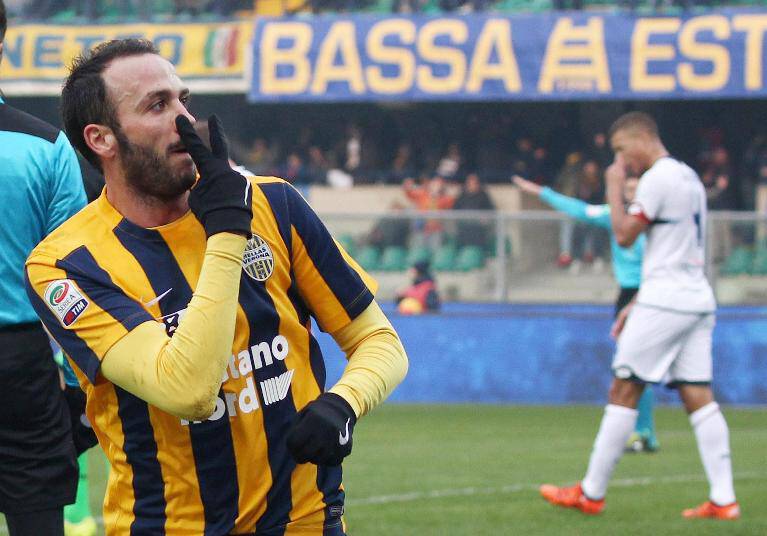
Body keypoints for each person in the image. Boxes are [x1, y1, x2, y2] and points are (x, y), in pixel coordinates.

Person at [25, 38, 408, 535]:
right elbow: (187, 391)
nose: (185, 121)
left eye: (184, 100)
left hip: (306, 521)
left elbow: (380, 341)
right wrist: (227, 232)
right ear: (102, 138)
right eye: (158, 106)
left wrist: (345, 402)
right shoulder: (66, 265)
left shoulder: (275, 203)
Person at [540, 112, 739, 520]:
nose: (621, 162)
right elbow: (673, 247)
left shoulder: (657, 178)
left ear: (640, 139)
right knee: (698, 395)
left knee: (624, 387)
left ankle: (590, 493)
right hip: (695, 295)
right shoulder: (688, 177)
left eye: (620, 150)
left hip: (666, 299)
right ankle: (724, 499)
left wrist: (614, 189)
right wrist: (638, 299)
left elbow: (625, 234)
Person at [0, 2, 88, 534]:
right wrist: (81, 386)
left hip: (26, 356)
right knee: (37, 523)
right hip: (24, 364)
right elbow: (79, 276)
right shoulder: (48, 146)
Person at [513, 174, 659, 453]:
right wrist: (542, 191)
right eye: (627, 188)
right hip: (627, 295)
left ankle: (643, 431)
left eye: (635, 188)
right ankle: (643, 432)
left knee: (636, 367)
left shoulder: (652, 221)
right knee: (632, 366)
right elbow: (578, 209)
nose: (630, 192)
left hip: (650, 293)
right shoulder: (614, 216)